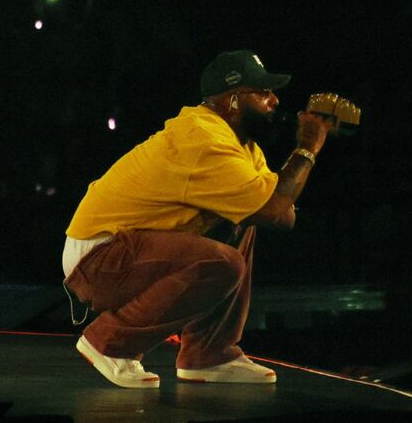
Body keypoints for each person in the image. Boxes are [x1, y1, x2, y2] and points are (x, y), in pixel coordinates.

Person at [62, 50, 333, 388]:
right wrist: (307, 148)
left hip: (128, 250)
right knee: (222, 262)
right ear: (233, 101)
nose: (275, 100)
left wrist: (286, 183)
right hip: (97, 258)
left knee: (243, 223)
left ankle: (209, 354)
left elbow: (280, 214)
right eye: (263, 92)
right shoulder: (204, 139)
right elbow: (277, 209)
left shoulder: (242, 146)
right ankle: (109, 342)